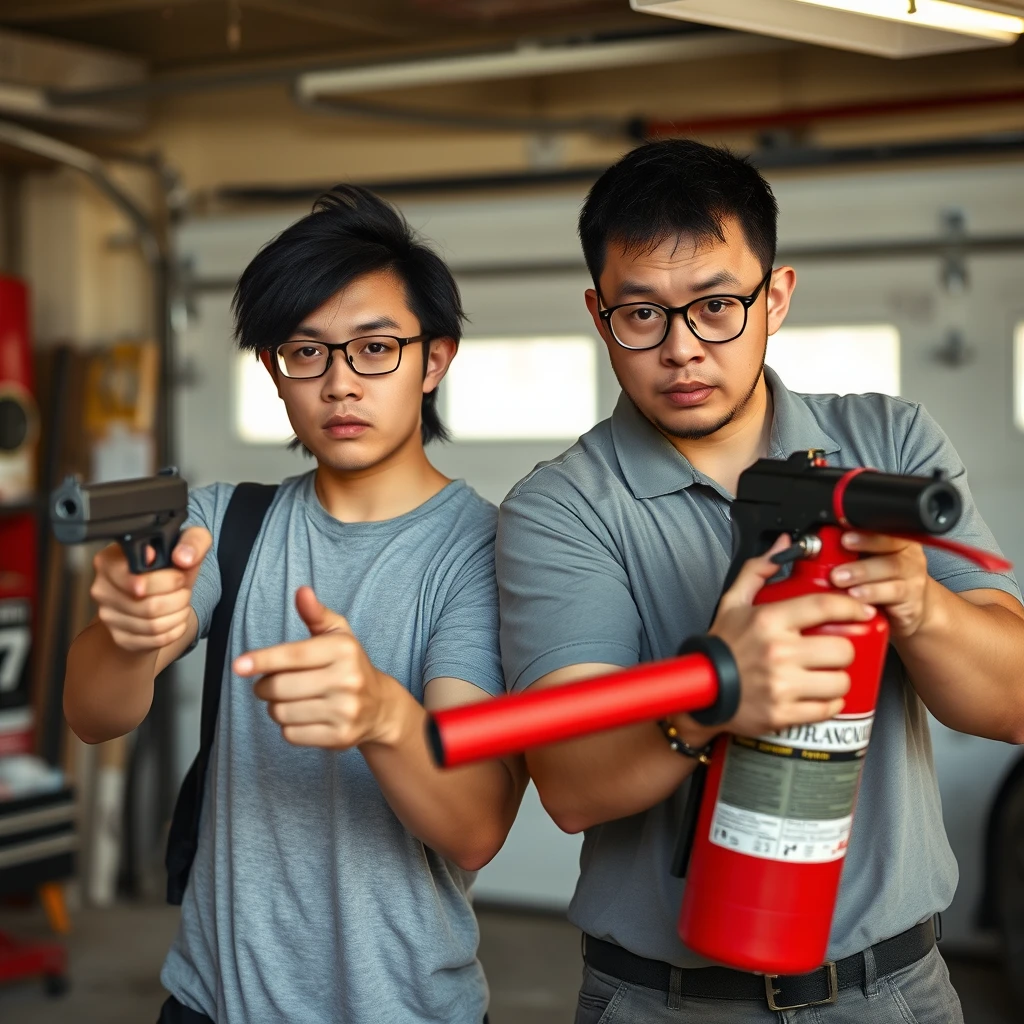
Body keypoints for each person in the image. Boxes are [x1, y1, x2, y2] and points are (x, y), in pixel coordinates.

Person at [495, 139, 1024, 1023]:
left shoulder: (890, 448)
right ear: (598, 314)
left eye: (717, 306)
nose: (681, 350)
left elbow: (1009, 704)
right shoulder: (562, 507)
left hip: (895, 990)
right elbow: (571, 783)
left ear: (775, 296)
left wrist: (918, 603)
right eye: (642, 316)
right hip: (662, 1001)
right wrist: (716, 691)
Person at [62, 186, 528, 1024]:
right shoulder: (221, 523)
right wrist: (132, 635)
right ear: (277, 372)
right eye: (305, 353)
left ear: (436, 359)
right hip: (211, 1004)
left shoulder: (485, 556)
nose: (340, 383)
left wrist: (383, 714)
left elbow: (476, 826)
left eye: (374, 348)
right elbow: (92, 716)